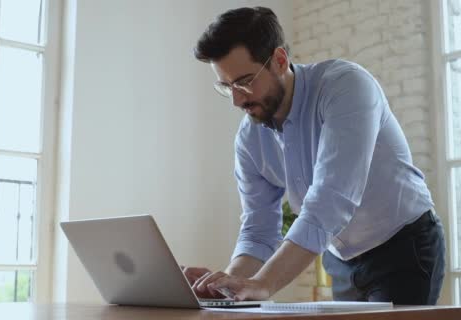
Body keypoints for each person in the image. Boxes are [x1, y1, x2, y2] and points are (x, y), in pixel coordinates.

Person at [182, 6, 445, 305]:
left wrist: (263, 284)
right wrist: (226, 287)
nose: (237, 100)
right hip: (342, 259)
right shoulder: (250, 137)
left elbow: (330, 201)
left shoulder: (345, 87)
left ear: (279, 61)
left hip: (404, 246)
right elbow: (258, 229)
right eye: (226, 86)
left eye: (244, 81)